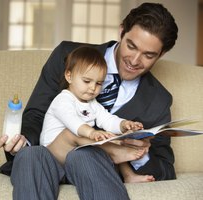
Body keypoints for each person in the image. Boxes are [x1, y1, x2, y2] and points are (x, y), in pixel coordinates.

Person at [0, 2, 178, 199]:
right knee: (30, 155)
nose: (134, 61)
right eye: (131, 46)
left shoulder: (159, 99)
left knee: (85, 155)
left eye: (148, 55)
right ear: (121, 31)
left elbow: (166, 167)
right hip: (49, 154)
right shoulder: (68, 56)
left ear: (162, 54)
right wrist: (22, 143)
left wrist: (140, 152)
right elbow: (36, 114)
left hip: (98, 167)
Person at [40, 46, 150, 183]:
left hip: (77, 157)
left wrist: (124, 125)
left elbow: (107, 119)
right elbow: (73, 122)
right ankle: (114, 152)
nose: (93, 88)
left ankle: (129, 175)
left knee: (111, 136)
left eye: (99, 83)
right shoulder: (62, 100)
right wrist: (92, 133)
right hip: (53, 155)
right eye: (87, 81)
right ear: (69, 76)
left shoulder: (92, 103)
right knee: (73, 132)